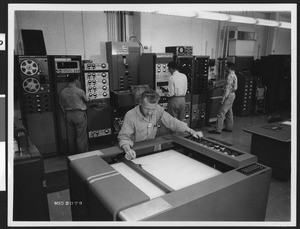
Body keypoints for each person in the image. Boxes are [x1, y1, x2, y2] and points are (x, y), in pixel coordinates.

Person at [118, 89, 203, 160]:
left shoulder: (158, 110)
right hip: (135, 150)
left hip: (153, 147)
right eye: (147, 109)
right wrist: (128, 150)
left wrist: (191, 131)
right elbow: (124, 137)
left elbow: (172, 122)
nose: (150, 112)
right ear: (140, 103)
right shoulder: (131, 115)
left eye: (153, 109)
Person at [59, 74, 89, 154]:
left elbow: (61, 105)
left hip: (68, 115)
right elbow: (87, 100)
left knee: (71, 136)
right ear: (76, 80)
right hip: (79, 115)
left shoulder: (62, 92)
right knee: (81, 136)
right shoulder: (79, 91)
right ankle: (82, 154)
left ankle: (72, 153)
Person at [208, 62, 238, 134]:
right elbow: (228, 85)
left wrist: (223, 99)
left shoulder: (230, 76)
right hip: (232, 95)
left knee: (220, 113)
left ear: (229, 68)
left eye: (226, 67)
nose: (225, 68)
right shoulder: (234, 75)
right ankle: (229, 127)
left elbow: (227, 89)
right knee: (229, 112)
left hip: (228, 95)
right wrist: (219, 86)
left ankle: (218, 129)